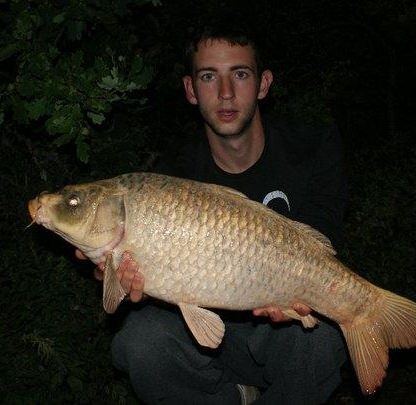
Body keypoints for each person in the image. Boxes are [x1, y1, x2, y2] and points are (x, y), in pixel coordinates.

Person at [78, 22, 347, 404]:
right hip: (201, 339)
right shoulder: (170, 175)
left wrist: (294, 291)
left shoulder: (312, 147)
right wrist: (112, 272)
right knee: (140, 341)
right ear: (191, 89)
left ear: (263, 84)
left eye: (239, 74)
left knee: (321, 339)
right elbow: (133, 267)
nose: (225, 93)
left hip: (281, 334)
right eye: (208, 76)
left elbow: (325, 239)